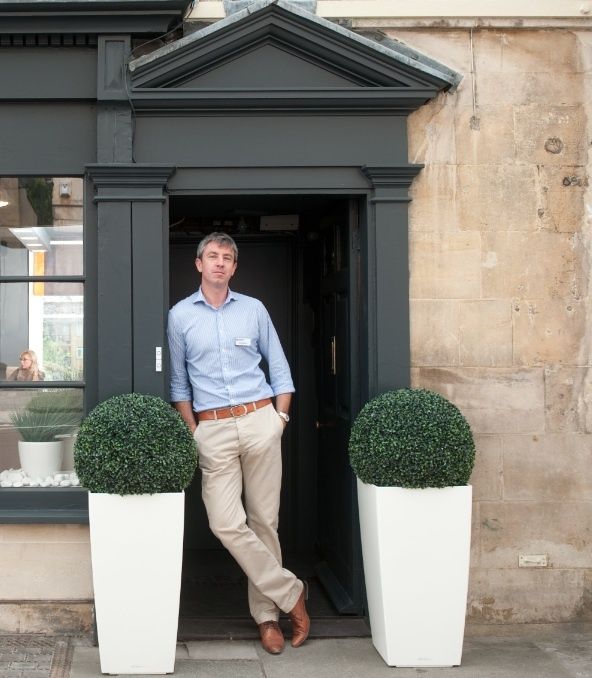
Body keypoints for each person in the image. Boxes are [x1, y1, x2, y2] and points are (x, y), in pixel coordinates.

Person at [167, 232, 309, 655]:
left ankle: (267, 618)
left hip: (260, 419)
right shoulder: (179, 317)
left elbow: (280, 369)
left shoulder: (254, 310)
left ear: (234, 267)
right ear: (198, 264)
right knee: (226, 522)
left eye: (227, 258)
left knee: (265, 521)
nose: (219, 263)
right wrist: (195, 432)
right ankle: (292, 594)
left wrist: (279, 419)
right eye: (212, 256)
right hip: (212, 429)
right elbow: (179, 384)